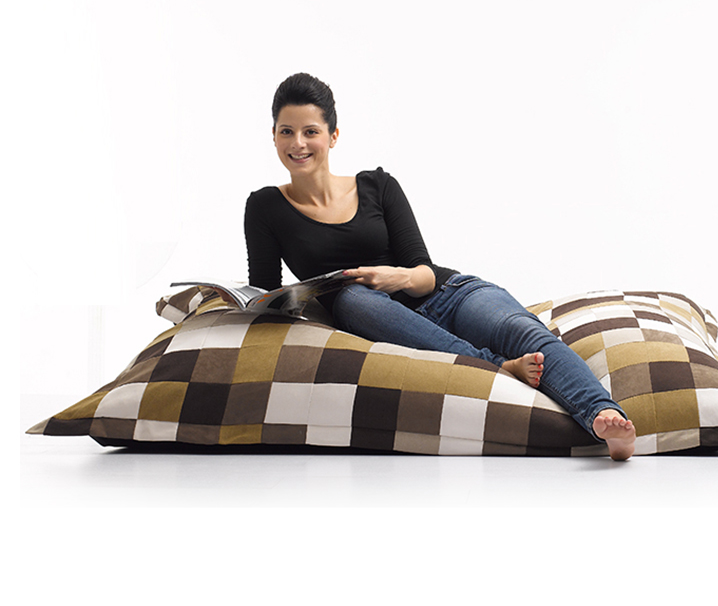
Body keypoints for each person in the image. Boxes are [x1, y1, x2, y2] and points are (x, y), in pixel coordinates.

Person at [244, 72, 637, 460]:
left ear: (333, 136)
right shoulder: (264, 207)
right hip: (374, 315)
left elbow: (424, 272)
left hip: (448, 295)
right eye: (286, 132)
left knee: (522, 331)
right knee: (351, 300)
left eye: (310, 132)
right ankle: (500, 366)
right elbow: (265, 291)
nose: (298, 143)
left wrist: (392, 276)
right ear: (274, 136)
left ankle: (603, 415)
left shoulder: (378, 186)